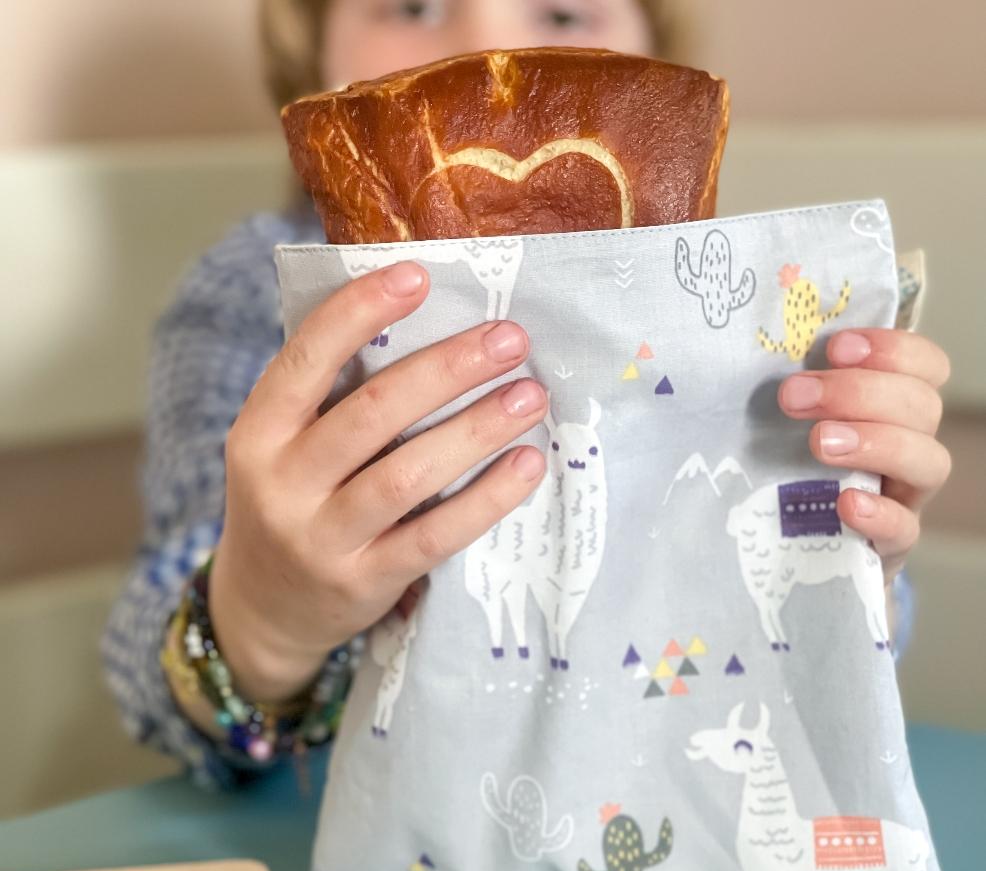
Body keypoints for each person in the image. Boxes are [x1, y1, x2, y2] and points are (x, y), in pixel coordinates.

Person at [102, 0, 951, 789]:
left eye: (562, 8)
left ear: (660, 58)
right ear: (307, 59)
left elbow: (825, 641)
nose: (490, 42)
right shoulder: (252, 302)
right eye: (412, 5)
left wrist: (841, 556)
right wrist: (262, 622)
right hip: (358, 837)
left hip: (659, 794)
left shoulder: (727, 304)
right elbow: (146, 650)